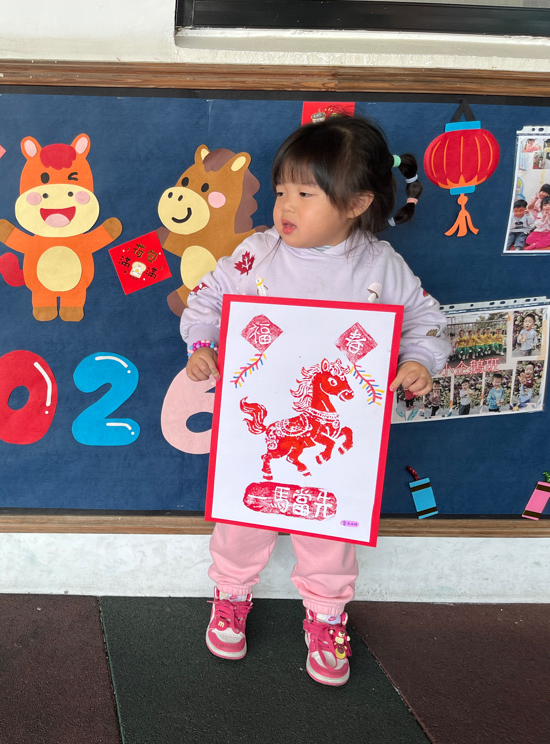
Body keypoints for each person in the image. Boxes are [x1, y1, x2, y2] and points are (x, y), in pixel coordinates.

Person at [181, 116, 449, 687]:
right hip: (257, 432)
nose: (286, 206)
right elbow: (207, 298)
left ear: (356, 203)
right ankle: (230, 594)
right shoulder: (258, 253)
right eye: (282, 191)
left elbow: (426, 319)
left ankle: (327, 616)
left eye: (305, 195)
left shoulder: (380, 266)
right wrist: (202, 345)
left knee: (331, 529)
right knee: (241, 517)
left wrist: (419, 361)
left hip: (338, 438)